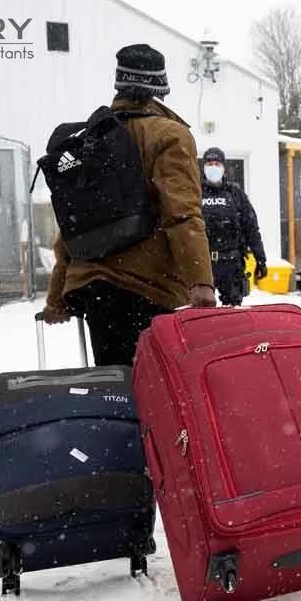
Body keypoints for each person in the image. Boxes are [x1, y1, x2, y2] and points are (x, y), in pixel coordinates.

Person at [42, 43, 217, 365]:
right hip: (145, 285)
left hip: (92, 287)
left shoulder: (91, 137)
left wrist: (56, 298)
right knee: (149, 391)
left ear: (120, 84)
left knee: (115, 388)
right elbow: (181, 212)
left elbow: (72, 225)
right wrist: (201, 281)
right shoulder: (169, 134)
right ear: (159, 87)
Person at [199, 146, 268, 306]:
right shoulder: (196, 192)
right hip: (203, 265)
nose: (213, 167)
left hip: (231, 264)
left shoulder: (235, 193)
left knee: (233, 315)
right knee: (201, 313)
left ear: (224, 167)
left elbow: (251, 227)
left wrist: (261, 259)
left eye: (217, 163)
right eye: (209, 163)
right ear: (203, 167)